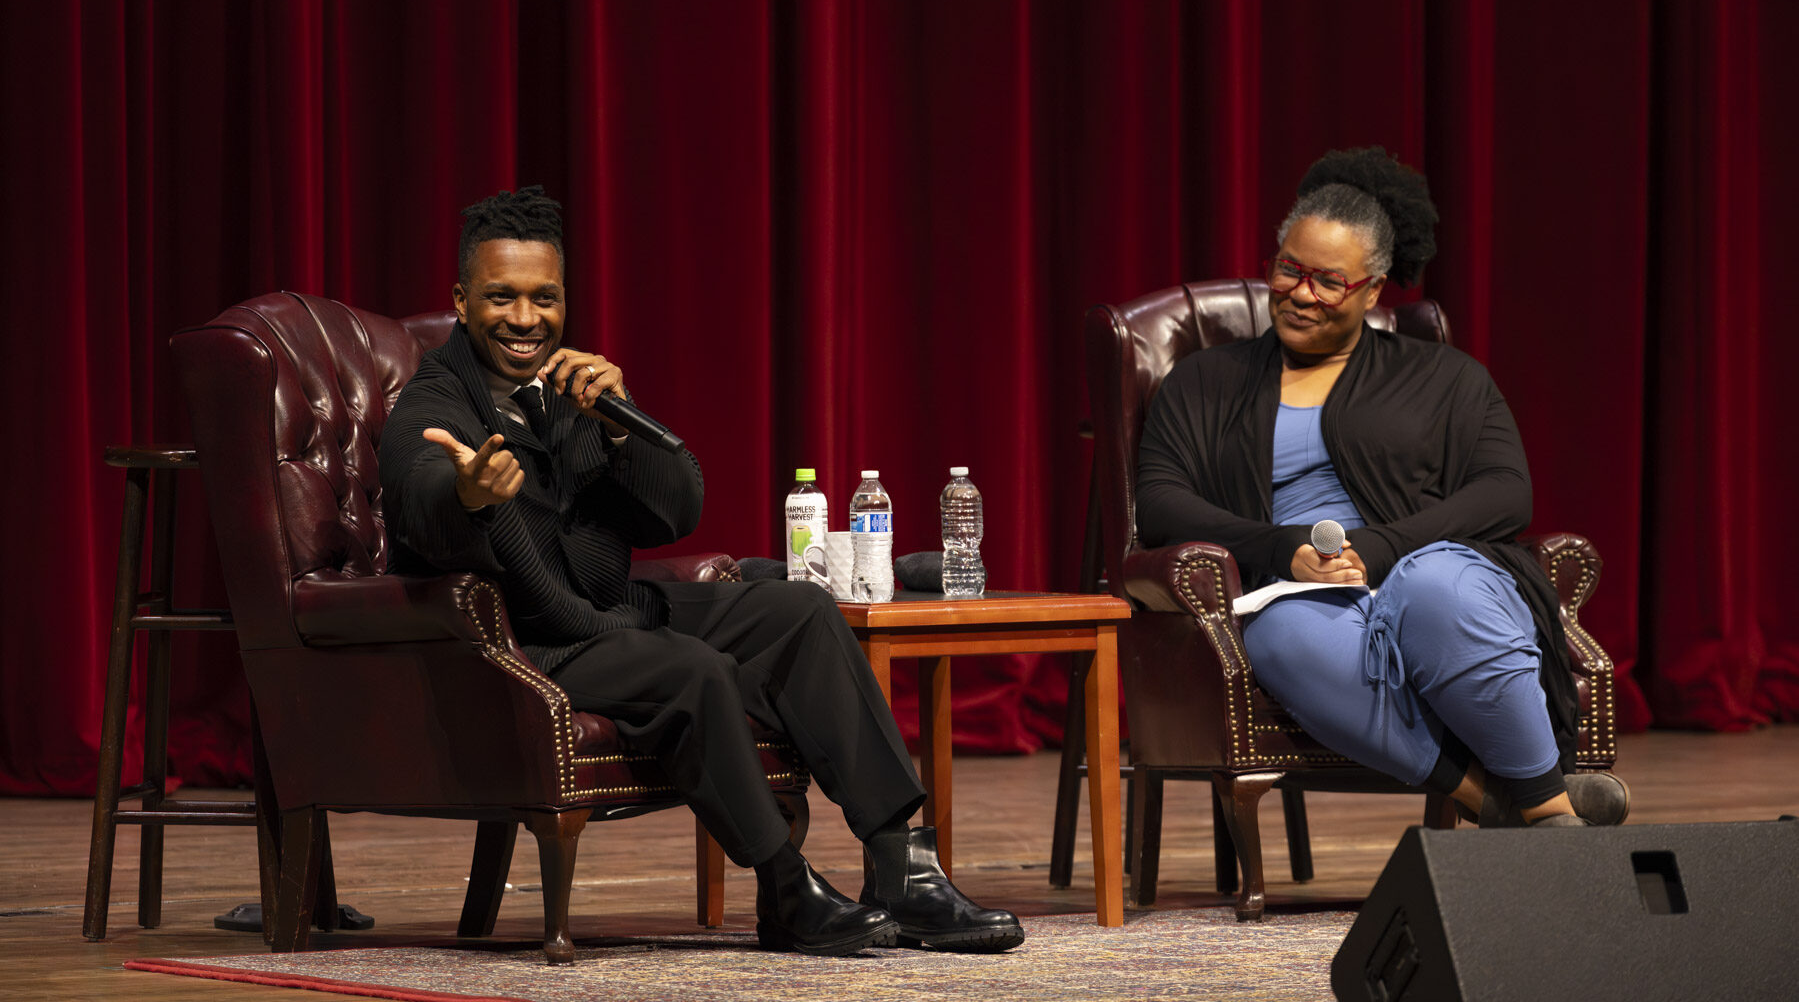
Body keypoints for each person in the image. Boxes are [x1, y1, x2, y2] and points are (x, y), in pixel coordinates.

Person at [377, 186, 1023, 955]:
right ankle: (786, 889)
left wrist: (621, 430)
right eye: (500, 298)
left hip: (616, 612)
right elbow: (420, 490)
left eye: (543, 298)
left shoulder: (575, 389)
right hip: (529, 641)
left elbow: (675, 511)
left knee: (801, 612)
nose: (525, 319)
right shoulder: (433, 402)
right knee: (693, 668)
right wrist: (468, 493)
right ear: (460, 300)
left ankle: (900, 869)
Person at [1135, 148, 1627, 828]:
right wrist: (1280, 549)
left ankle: (1540, 799)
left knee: (1435, 588)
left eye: (1328, 282)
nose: (1300, 294)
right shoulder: (1205, 381)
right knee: (1282, 638)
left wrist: (1381, 546)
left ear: (1372, 290)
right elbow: (1160, 499)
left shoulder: (1444, 378)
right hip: (1295, 587)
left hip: (1430, 563)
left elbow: (1504, 493)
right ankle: (1509, 805)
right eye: (1288, 269)